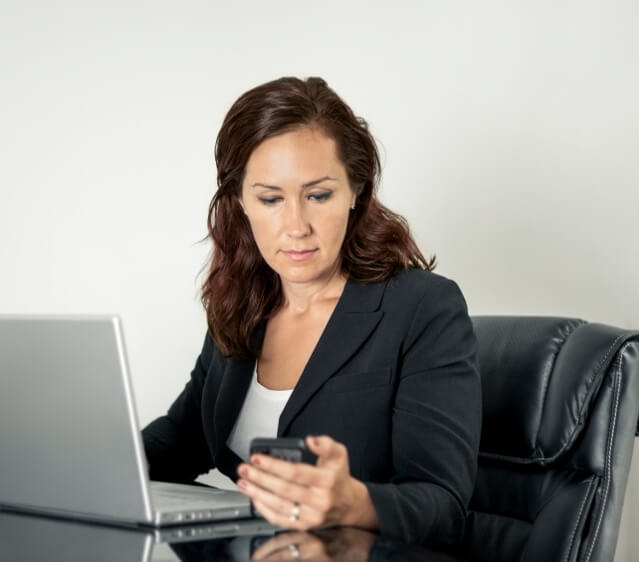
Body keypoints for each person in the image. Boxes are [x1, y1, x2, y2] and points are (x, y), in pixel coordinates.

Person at [141, 76, 481, 548]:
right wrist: (72, 460)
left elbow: (443, 507)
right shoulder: (242, 303)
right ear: (241, 202)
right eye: (271, 199)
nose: (296, 225)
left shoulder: (422, 309)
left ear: (355, 191)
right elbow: (180, 441)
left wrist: (352, 502)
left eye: (318, 195)